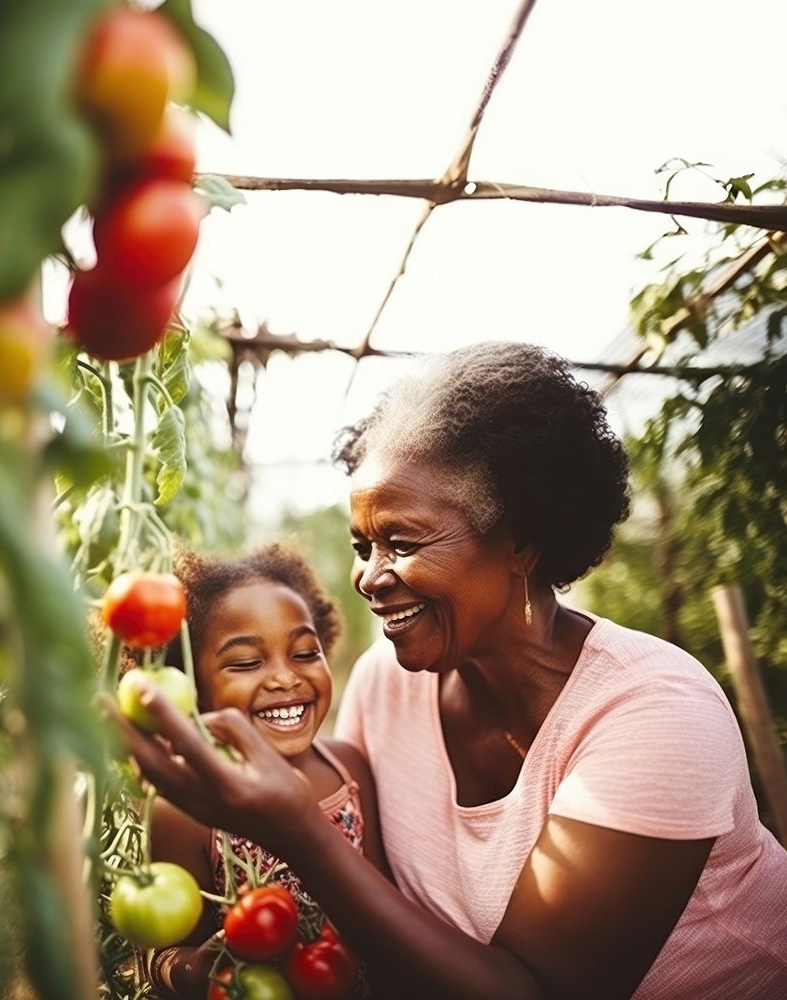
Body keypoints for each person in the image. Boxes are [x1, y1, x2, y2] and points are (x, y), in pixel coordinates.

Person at [116, 342, 787, 999]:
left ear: (522, 539)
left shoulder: (657, 716)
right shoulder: (389, 681)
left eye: (402, 543)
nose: (368, 578)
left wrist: (301, 835)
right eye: (362, 546)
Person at [144, 543, 390, 997]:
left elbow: (384, 906)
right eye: (246, 663)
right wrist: (195, 969)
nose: (284, 678)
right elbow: (164, 955)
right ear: (190, 686)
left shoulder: (348, 768)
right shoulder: (185, 810)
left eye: (304, 653)